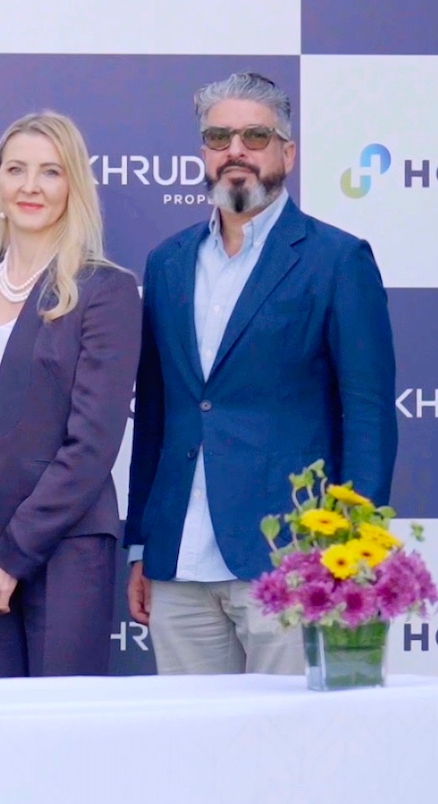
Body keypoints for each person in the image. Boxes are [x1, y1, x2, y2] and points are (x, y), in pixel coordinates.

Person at [125, 72, 397, 674]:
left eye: (255, 136)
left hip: (291, 560)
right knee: (194, 733)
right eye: (218, 137)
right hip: (178, 561)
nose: (235, 150)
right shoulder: (167, 263)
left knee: (293, 732)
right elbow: (157, 415)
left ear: (287, 153)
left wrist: (352, 548)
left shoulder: (337, 259)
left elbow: (369, 415)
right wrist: (144, 543)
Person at [0, 112, 139, 677]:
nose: (31, 186)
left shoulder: (106, 290)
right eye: (16, 169)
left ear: (74, 186)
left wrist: (12, 557)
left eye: (50, 171)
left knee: (63, 723)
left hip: (67, 547)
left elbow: (92, 445)